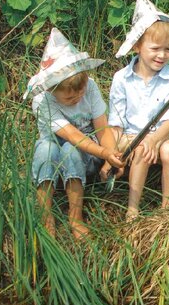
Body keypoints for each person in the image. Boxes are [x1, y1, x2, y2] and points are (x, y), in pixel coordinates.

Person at [25, 28, 124, 240]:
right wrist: (104, 152)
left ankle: (75, 215)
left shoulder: (90, 88)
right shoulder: (42, 102)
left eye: (81, 91)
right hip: (55, 158)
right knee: (46, 147)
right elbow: (71, 134)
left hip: (84, 158)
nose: (78, 97)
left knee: (70, 150)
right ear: (51, 90)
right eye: (69, 98)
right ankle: (45, 215)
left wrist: (110, 156)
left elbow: (102, 128)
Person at [109, 0, 169, 221]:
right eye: (155, 48)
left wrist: (153, 139)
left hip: (165, 133)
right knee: (137, 146)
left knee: (168, 151)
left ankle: (166, 209)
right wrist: (110, 152)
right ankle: (133, 207)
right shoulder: (121, 78)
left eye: (168, 49)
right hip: (130, 135)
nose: (162, 55)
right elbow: (116, 122)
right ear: (138, 46)